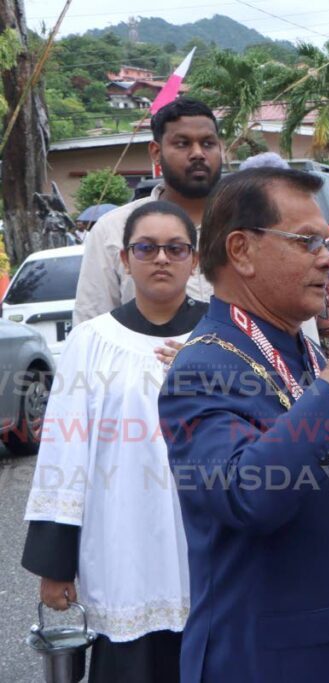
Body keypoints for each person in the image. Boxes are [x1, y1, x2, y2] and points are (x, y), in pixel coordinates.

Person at [159, 167, 329, 682]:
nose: (328, 257)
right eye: (307, 241)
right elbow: (247, 495)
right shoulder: (203, 367)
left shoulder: (292, 347)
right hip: (280, 659)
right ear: (241, 251)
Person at [23, 201, 207, 683]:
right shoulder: (91, 341)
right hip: (122, 540)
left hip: (209, 536)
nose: (161, 259)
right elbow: (64, 450)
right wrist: (55, 563)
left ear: (196, 259)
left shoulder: (224, 335)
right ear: (124, 260)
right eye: (146, 248)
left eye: (175, 248)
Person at [74, 98, 222, 326]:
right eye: (182, 144)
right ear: (156, 152)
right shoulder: (113, 230)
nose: (198, 153)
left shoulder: (252, 225)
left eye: (208, 143)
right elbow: (91, 328)